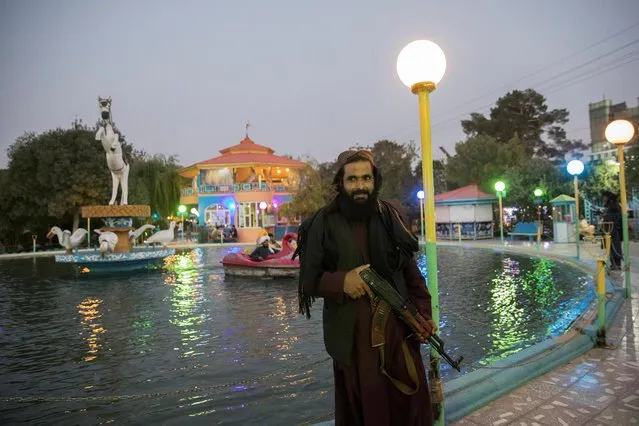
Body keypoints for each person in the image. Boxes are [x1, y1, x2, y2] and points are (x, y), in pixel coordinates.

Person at [298, 150, 437, 426]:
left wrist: (423, 314)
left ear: (375, 181)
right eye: (353, 179)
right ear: (341, 182)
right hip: (354, 343)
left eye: (366, 178)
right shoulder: (321, 224)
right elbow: (308, 281)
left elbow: (411, 275)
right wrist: (342, 282)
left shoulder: (390, 218)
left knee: (410, 408)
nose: (360, 185)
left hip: (399, 334)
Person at [601, 191, 622, 270]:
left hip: (612, 231)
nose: (604, 199)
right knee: (610, 248)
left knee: (614, 248)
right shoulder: (610, 206)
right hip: (608, 231)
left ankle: (616, 265)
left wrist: (605, 216)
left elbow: (616, 217)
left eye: (605, 197)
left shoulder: (615, 206)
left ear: (609, 198)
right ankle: (613, 264)